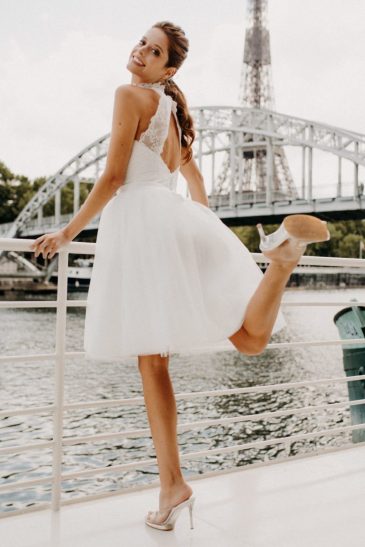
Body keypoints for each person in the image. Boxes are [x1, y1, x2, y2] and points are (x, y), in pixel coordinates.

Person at [31, 21, 330, 532]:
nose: (141, 52)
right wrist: (200, 231)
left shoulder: (130, 95)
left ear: (167, 68)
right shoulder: (171, 111)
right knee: (249, 340)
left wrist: (67, 232)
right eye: (142, 43)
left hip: (143, 227)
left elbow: (113, 177)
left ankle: (173, 486)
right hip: (177, 220)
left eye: (154, 51)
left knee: (152, 362)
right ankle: (279, 263)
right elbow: (192, 179)